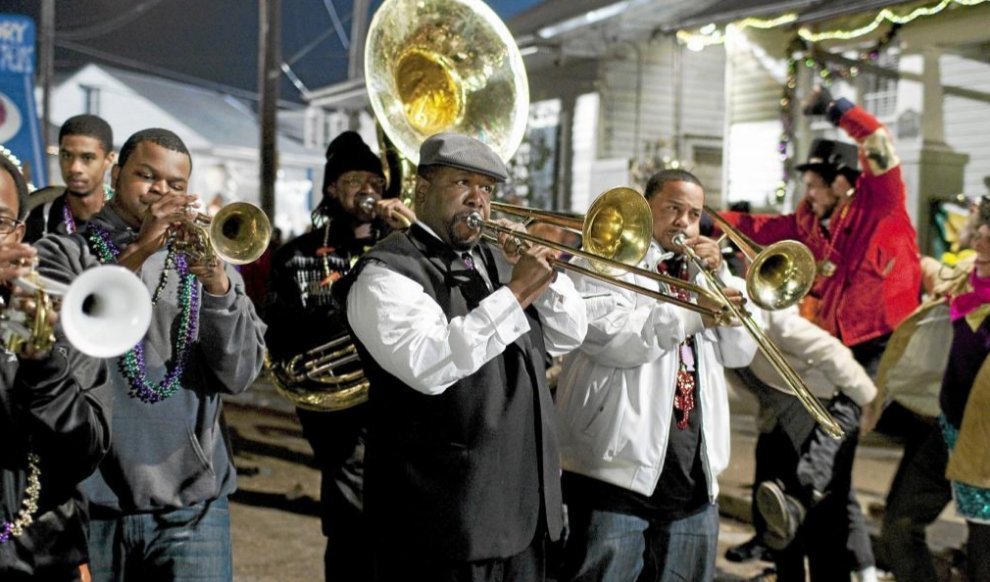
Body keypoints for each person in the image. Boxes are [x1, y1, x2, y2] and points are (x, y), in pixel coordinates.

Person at [335, 132, 588, 581]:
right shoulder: (386, 273)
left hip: (524, 518)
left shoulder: (494, 261)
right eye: (463, 183)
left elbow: (569, 333)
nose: (478, 200)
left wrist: (535, 272)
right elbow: (430, 364)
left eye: (487, 188)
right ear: (422, 188)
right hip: (443, 525)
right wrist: (517, 291)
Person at [35, 128, 267, 581]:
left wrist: (219, 288)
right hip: (92, 507)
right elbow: (59, 357)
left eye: (176, 184)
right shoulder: (63, 253)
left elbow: (239, 375)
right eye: (146, 176)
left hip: (194, 511)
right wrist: (140, 250)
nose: (162, 190)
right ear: (116, 175)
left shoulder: (208, 261)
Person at [554, 168, 758, 581]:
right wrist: (692, 313)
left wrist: (716, 278)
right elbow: (613, 340)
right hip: (611, 474)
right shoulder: (607, 255)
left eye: (694, 213)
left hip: (692, 480)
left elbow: (740, 352)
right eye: (673, 208)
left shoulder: (703, 274)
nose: (684, 221)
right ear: (645, 207)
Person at [263, 130, 412, 581]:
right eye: (355, 181)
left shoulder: (405, 248)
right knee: (352, 539)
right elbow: (283, 332)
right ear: (332, 189)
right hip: (340, 420)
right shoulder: (298, 255)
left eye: (374, 180)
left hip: (404, 413)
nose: (369, 189)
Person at [720, 86, 921, 377]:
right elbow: (758, 227)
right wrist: (707, 219)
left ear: (839, 183)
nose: (809, 194)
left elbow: (877, 139)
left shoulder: (883, 201)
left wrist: (835, 108)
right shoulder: (809, 220)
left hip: (885, 336)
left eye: (814, 185)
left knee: (859, 411)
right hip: (837, 338)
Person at [0, 151, 111, 579]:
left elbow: (85, 450)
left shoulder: (53, 316)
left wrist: (42, 364)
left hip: (43, 555)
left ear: (18, 235)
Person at [737, 305, 877, 581]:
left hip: (813, 410)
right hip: (780, 416)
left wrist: (867, 396)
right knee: (781, 529)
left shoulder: (760, 307)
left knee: (823, 531)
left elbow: (824, 347)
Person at [25, 114, 114, 242]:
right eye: (67, 156)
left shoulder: (128, 219)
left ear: (108, 160)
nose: (75, 168)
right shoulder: (40, 220)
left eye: (87, 158)